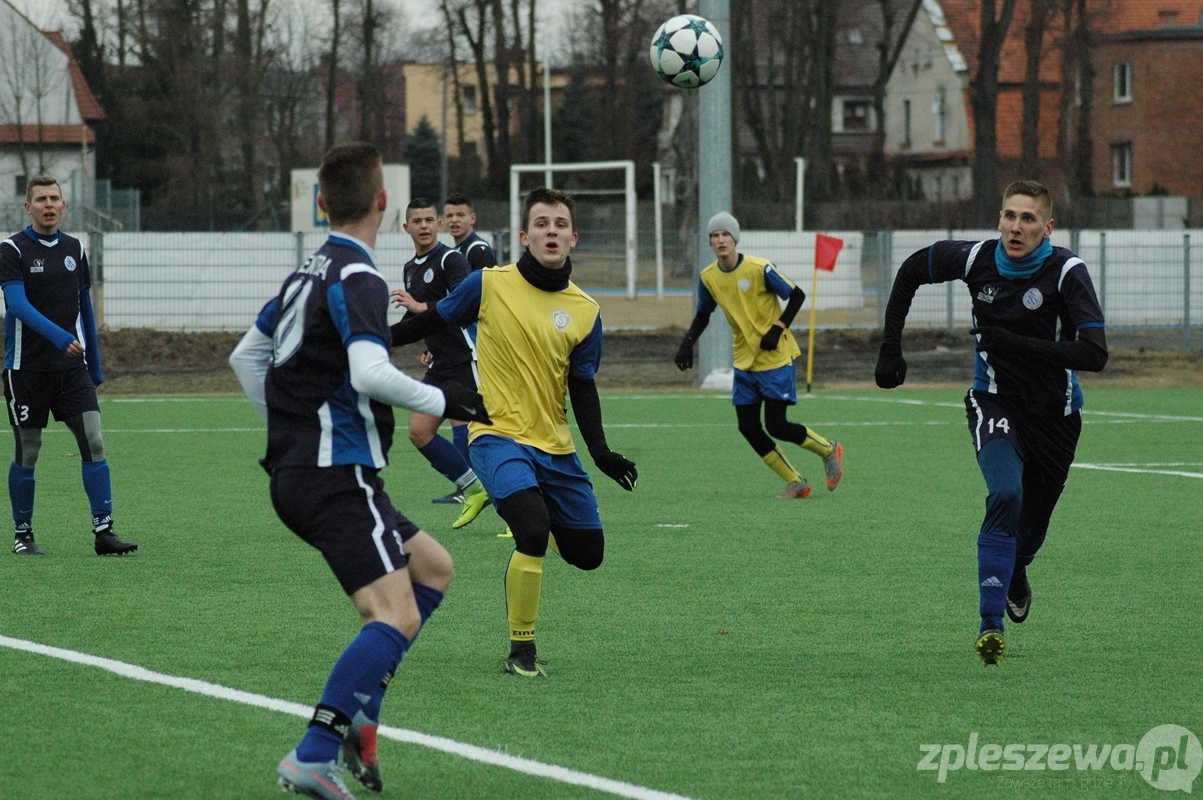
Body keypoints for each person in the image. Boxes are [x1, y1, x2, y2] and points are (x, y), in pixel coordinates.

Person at [229, 142, 489, 800]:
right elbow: (370, 371)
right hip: (334, 473)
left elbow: (246, 357)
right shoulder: (359, 275)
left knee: (432, 567)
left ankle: (361, 708)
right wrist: (445, 400)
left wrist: (288, 429)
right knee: (393, 615)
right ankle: (315, 751)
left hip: (307, 471)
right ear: (381, 203)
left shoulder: (304, 272)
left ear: (321, 204)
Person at [391, 187, 638, 678]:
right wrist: (363, 341)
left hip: (556, 446)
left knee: (589, 556)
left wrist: (602, 452)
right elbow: (432, 319)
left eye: (560, 224)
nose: (552, 231)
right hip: (496, 435)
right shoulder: (488, 283)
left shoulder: (586, 310)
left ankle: (529, 516)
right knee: (530, 528)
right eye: (542, 223)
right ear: (525, 236)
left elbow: (583, 386)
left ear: (574, 238)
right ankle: (521, 649)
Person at [875, 180, 1107, 667]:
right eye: (1008, 215)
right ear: (998, 218)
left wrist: (1017, 344)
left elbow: (1095, 353)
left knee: (1032, 529)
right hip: (993, 401)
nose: (1015, 227)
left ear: (1048, 227)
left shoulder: (1066, 271)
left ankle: (1017, 568)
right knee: (1005, 494)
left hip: (1057, 416)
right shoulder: (975, 258)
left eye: (1027, 219)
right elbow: (912, 269)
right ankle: (989, 624)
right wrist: (890, 347)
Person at [1, 176, 136, 556]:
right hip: (25, 369)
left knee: (93, 441)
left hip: (72, 370)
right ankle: (23, 534)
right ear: (28, 207)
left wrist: (95, 363)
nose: (48, 204)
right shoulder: (12, 249)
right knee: (29, 450)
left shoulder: (75, 248)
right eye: (41, 199)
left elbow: (85, 306)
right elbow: (17, 306)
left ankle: (104, 532)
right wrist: (62, 338)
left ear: (64, 206)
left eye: (55, 198)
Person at [674, 211, 844, 499]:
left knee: (777, 425)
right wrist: (687, 343)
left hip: (775, 358)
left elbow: (797, 295)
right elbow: (703, 314)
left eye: (725, 234)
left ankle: (829, 450)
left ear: (734, 238)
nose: (720, 240)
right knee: (748, 426)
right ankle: (795, 481)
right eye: (714, 236)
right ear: (710, 243)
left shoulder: (759, 268)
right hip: (744, 360)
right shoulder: (709, 277)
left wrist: (777, 329)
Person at [389, 198, 489, 527]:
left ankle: (513, 505)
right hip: (441, 361)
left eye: (429, 220)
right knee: (419, 431)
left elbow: (463, 304)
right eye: (416, 221)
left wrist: (421, 309)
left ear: (439, 225)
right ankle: (473, 489)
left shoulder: (452, 259)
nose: (424, 226)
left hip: (465, 357)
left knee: (479, 435)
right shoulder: (411, 268)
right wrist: (378, 339)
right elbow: (417, 317)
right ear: (406, 228)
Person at [443, 192, 497, 272]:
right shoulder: (457, 250)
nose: (454, 220)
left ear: (472, 219)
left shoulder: (478, 251)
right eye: (449, 216)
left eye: (460, 215)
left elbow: (485, 283)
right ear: (444, 219)